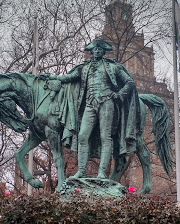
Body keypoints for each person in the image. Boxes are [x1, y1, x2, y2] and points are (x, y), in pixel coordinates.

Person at [40, 39, 140, 179]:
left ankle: (101, 173)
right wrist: (51, 76)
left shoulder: (112, 67)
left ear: (104, 52)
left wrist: (119, 95)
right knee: (82, 136)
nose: (97, 51)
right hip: (90, 105)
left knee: (105, 137)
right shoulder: (84, 68)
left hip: (107, 103)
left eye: (100, 49)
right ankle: (81, 171)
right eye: (95, 49)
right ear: (92, 51)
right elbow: (68, 77)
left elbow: (130, 82)